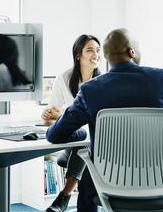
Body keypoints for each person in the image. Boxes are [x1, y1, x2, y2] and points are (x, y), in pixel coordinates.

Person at [46, 28, 163, 212]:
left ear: (106, 56)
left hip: (109, 187)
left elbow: (55, 135)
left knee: (89, 177)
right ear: (132, 51)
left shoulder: (90, 90)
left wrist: (80, 132)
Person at [42, 34, 101, 212]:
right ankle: (67, 195)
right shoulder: (64, 78)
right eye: (90, 50)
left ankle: (65, 195)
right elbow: (51, 113)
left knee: (84, 140)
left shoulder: (103, 81)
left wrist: (65, 114)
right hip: (73, 139)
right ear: (78, 55)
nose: (96, 55)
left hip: (94, 144)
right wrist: (50, 114)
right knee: (82, 136)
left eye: (98, 50)